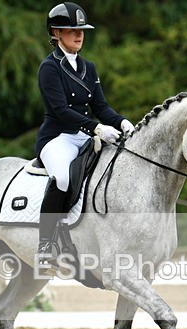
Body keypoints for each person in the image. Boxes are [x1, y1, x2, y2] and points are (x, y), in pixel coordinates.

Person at [35, 2, 134, 261]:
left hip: (85, 135)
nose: (79, 35)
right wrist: (97, 128)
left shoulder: (88, 67)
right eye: (71, 30)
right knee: (63, 179)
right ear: (56, 33)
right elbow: (60, 110)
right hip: (58, 137)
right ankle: (45, 244)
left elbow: (100, 106)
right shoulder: (49, 67)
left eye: (81, 30)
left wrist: (122, 122)